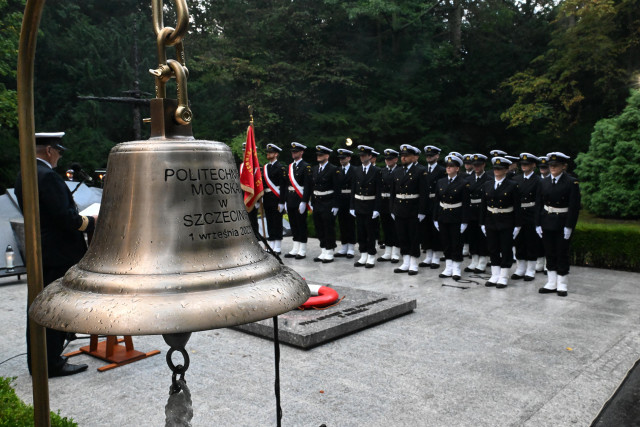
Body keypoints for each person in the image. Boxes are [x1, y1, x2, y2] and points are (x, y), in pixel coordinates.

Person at [15, 132, 95, 377]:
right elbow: (64, 218)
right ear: (49, 150)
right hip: (59, 252)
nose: (60, 155)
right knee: (53, 308)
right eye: (59, 150)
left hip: (43, 250)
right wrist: (92, 222)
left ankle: (42, 360)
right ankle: (50, 363)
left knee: (42, 306)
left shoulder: (25, 174)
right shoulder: (47, 176)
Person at [536, 152, 581, 297]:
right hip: (547, 220)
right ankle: (551, 282)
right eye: (551, 165)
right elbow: (539, 204)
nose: (553, 168)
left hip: (562, 221)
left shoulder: (571, 182)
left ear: (564, 166)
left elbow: (574, 207)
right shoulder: (543, 182)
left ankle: (562, 283)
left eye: (556, 165)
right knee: (549, 252)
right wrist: (537, 223)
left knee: (562, 252)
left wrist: (569, 226)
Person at [480, 156, 520, 289]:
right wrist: (482, 223)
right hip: (491, 220)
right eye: (495, 168)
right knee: (493, 248)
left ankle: (503, 275)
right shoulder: (487, 184)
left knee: (506, 248)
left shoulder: (512, 185)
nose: (497, 170)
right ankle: (495, 274)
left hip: (506, 220)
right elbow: (483, 205)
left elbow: (517, 207)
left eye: (500, 168)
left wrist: (517, 225)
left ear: (506, 170)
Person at [390, 144, 428, 275]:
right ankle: (405, 262)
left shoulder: (421, 171)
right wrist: (392, 209)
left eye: (406, 156)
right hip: (399, 208)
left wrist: (422, 211)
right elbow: (393, 193)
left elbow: (424, 193)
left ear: (414, 157)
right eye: (402, 156)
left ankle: (413, 263)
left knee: (413, 236)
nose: (403, 158)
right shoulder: (397, 171)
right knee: (402, 236)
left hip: (413, 208)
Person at [433, 155, 469, 280]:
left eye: (451, 166)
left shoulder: (463, 183)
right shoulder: (441, 182)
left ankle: (456, 268)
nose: (448, 168)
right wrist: (435, 218)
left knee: (456, 243)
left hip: (456, 216)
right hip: (443, 215)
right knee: (446, 242)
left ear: (457, 168)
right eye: (447, 166)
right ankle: (448, 267)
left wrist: (465, 221)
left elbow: (465, 204)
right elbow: (437, 201)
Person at [511, 153, 543, 281]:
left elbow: (540, 201)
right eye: (522, 164)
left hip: (531, 212)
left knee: (531, 242)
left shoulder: (538, 180)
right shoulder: (516, 179)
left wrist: (538, 219)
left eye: (527, 164)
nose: (524, 166)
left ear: (533, 165)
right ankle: (520, 268)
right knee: (519, 241)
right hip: (519, 213)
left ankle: (530, 270)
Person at [351, 145, 382, 268]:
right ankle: (363, 254)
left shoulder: (376, 171)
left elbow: (379, 192)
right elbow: (353, 189)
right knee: (361, 232)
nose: (362, 157)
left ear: (370, 156)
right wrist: (352, 206)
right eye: (361, 155)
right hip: (359, 204)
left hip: (370, 205)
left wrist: (377, 209)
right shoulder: (357, 170)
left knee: (371, 232)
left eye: (364, 155)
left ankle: (371, 255)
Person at [311, 146, 340, 263]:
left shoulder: (333, 169)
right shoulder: (314, 169)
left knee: (328, 227)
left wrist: (336, 205)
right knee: (319, 227)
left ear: (327, 156)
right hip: (317, 202)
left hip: (328, 202)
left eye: (321, 154)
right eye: (318, 154)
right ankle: (323, 249)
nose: (319, 156)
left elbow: (337, 188)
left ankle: (329, 251)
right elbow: (313, 186)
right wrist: (312, 202)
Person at [284, 142, 313, 259]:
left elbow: (308, 186)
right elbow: (286, 185)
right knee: (293, 224)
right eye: (292, 151)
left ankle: (302, 249)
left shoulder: (306, 167)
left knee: (301, 224)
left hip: (300, 199)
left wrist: (304, 201)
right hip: (290, 199)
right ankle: (295, 247)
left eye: (296, 151)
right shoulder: (290, 167)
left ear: (301, 152)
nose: (293, 153)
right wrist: (285, 200)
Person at [464, 154, 491, 273]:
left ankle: (483, 261)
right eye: (475, 165)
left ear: (484, 165)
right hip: (471, 210)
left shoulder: (489, 178)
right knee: (472, 236)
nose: (476, 167)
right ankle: (474, 260)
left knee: (482, 237)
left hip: (482, 209)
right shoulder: (468, 179)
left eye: (479, 165)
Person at [420, 145, 446, 269]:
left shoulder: (442, 170)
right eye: (428, 156)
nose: (429, 157)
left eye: (432, 155)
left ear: (437, 156)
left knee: (436, 230)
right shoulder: (423, 170)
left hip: (436, 201)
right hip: (425, 202)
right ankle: (428, 256)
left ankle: (436, 257)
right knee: (425, 230)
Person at [262, 144, 287, 254]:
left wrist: (282, 201)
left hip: (276, 198)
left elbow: (283, 186)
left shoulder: (281, 168)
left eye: (271, 152)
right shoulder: (266, 167)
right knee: (270, 221)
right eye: (267, 152)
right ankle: (271, 242)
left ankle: (277, 245)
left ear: (276, 154)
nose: (268, 154)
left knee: (277, 221)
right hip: (267, 198)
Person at [377, 149, 400, 263]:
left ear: (396, 159)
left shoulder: (400, 171)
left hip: (395, 202)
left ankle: (395, 253)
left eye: (390, 159)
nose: (388, 161)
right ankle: (387, 252)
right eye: (386, 159)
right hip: (384, 203)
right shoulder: (382, 171)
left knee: (395, 228)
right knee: (386, 228)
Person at [334, 148, 356, 258]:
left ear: (349, 158)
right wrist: (335, 204)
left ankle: (351, 247)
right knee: (342, 223)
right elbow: (336, 188)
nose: (341, 160)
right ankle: (344, 246)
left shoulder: (354, 170)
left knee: (350, 224)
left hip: (350, 199)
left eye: (343, 158)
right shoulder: (337, 170)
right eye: (340, 158)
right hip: (341, 199)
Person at [535, 155, 550, 272]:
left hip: (550, 212)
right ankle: (539, 260)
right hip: (538, 210)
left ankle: (547, 261)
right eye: (541, 167)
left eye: (545, 167)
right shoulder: (537, 180)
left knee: (548, 238)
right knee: (538, 238)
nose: (543, 169)